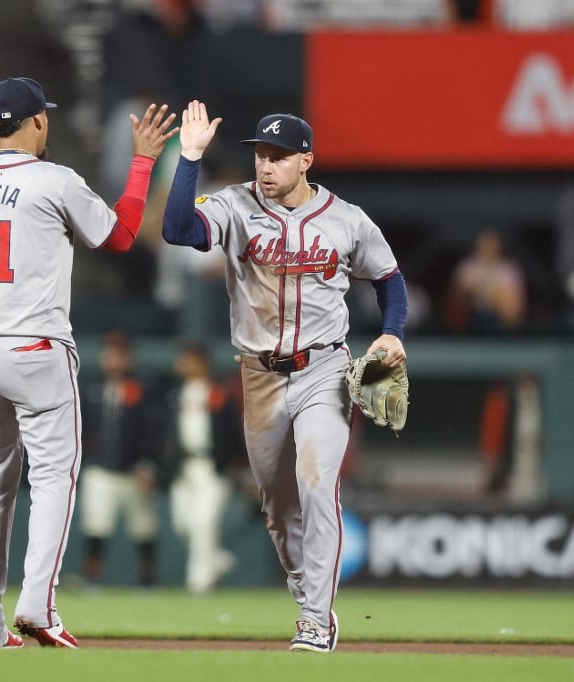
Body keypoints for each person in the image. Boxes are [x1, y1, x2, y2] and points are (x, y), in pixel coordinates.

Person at [0, 77, 178, 648]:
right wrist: (141, 163)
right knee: (54, 479)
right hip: (34, 348)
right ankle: (38, 603)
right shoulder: (54, 180)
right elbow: (120, 237)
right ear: (38, 121)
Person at [162, 103, 408, 652]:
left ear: (306, 161)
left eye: (277, 157)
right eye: (260, 155)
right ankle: (306, 597)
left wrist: (392, 332)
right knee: (277, 507)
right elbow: (178, 229)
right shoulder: (233, 205)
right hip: (259, 376)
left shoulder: (347, 219)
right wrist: (190, 157)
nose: (265, 166)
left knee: (318, 484)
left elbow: (390, 280)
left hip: (324, 368)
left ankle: (317, 619)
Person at [79, 331, 160, 588]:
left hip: (132, 470)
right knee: (96, 524)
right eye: (110, 354)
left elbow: (153, 429)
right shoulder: (91, 389)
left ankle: (147, 579)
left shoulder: (142, 390)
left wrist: (148, 462)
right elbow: (81, 429)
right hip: (100, 469)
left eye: (120, 355)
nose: (114, 360)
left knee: (143, 527)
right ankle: (93, 577)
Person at [164, 340, 243, 594]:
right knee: (183, 524)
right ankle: (218, 560)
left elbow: (233, 432)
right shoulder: (176, 394)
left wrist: (235, 466)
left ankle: (198, 582)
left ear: (202, 363)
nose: (182, 363)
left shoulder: (218, 392)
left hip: (211, 467)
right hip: (184, 467)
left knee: (203, 523)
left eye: (188, 359)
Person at [444, 228, 526, 334]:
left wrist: (494, 295)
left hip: (500, 319)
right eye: (485, 244)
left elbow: (515, 304)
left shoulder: (509, 268)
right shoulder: (468, 267)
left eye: (491, 244)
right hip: (471, 318)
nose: (488, 248)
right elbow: (458, 295)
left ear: (498, 246)